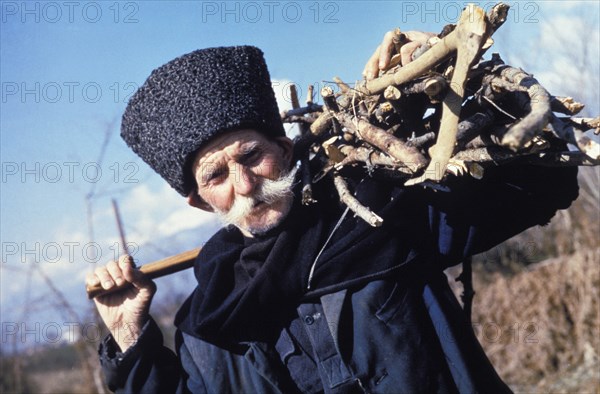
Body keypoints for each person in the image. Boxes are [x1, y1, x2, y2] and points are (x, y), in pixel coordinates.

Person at [86, 34, 579, 394]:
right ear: (198, 200)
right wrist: (129, 336)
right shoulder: (207, 321)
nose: (244, 184)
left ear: (285, 148)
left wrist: (466, 83)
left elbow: (541, 183)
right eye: (216, 176)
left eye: (251, 156)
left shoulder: (379, 219)